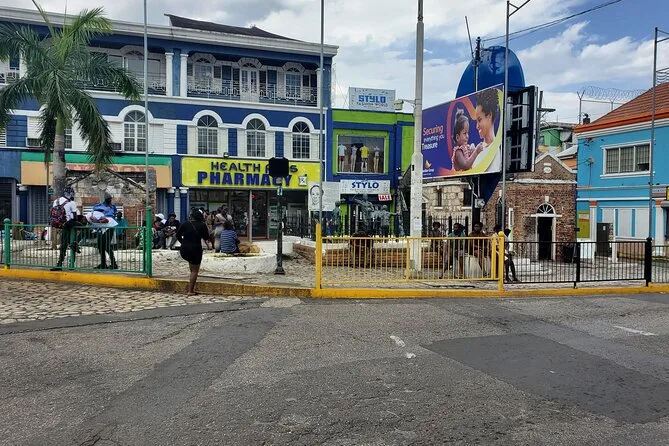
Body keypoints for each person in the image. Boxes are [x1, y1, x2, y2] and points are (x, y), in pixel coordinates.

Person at [175, 209, 211, 296]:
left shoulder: (185, 224)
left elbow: (177, 235)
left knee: (192, 268)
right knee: (195, 271)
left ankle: (190, 287)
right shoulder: (202, 225)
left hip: (184, 249)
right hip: (195, 249)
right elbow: (206, 237)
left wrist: (183, 243)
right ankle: (190, 291)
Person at [50, 186, 80, 271]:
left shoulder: (56, 201)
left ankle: (59, 264)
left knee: (63, 245)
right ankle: (71, 264)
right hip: (69, 225)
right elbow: (75, 216)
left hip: (61, 225)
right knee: (74, 242)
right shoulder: (71, 203)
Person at [472, 88, 501, 171]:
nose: (477, 126)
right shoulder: (479, 148)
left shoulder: (495, 151)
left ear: (489, 116)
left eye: (479, 120)